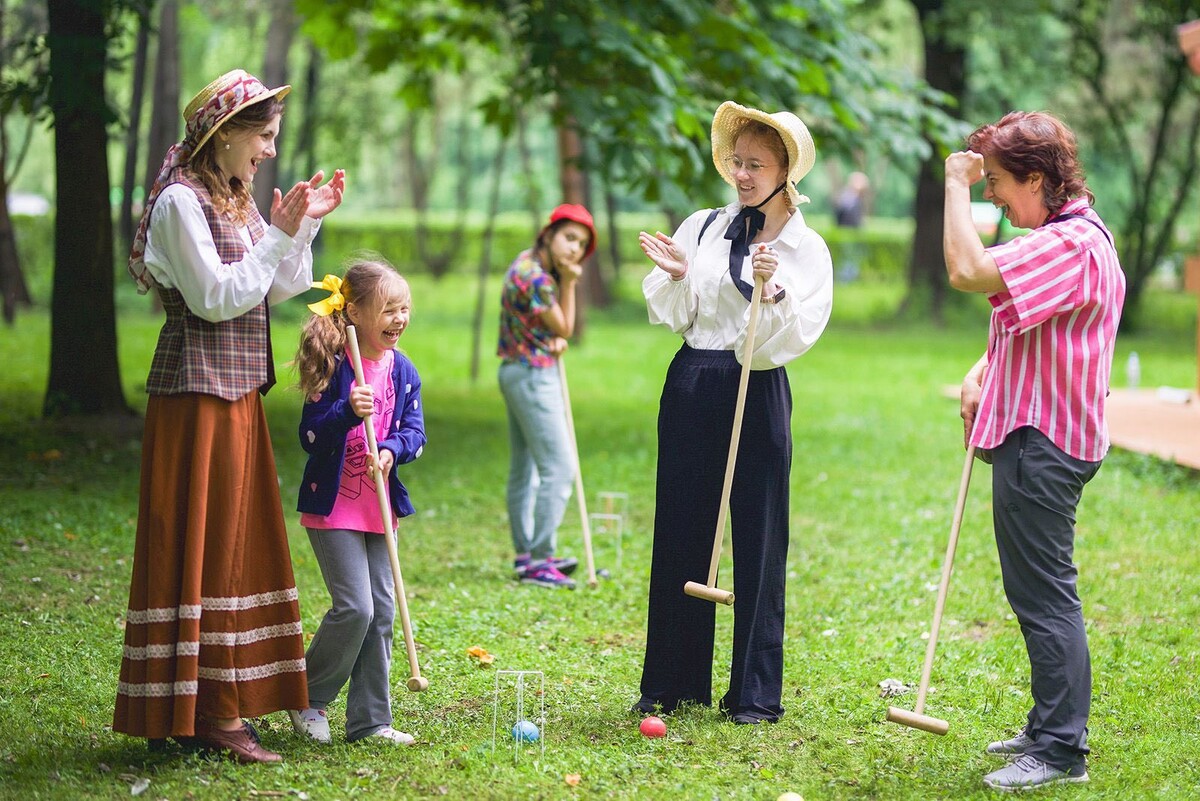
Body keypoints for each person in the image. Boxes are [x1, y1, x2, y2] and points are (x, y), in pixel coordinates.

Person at [114, 68, 345, 764]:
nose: (270, 151)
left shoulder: (233, 196)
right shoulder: (180, 203)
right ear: (224, 135)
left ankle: (213, 701)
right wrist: (277, 234)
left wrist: (303, 226)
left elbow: (272, 286)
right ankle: (202, 710)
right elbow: (217, 297)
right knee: (203, 543)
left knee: (232, 543)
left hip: (234, 394)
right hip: (194, 400)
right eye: (263, 137)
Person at [634, 101, 833, 724]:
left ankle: (752, 694)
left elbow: (787, 338)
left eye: (758, 165)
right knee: (680, 530)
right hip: (695, 378)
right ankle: (672, 680)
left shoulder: (806, 247)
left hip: (759, 383)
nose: (743, 175)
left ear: (785, 172)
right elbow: (683, 315)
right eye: (737, 162)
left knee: (760, 534)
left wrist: (771, 292)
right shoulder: (703, 226)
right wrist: (675, 278)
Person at [943, 111, 1125, 791]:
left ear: (1037, 177)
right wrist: (981, 370)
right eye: (983, 181)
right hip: (1038, 432)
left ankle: (1059, 747)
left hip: (1045, 443)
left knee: (1046, 595)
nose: (991, 193)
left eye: (996, 181)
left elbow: (966, 269)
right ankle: (1049, 722)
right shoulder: (1065, 236)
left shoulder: (1070, 244)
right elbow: (1034, 326)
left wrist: (954, 187)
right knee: (1034, 592)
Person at [291, 259, 426, 746]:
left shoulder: (403, 369)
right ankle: (308, 697)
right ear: (355, 313)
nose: (399, 318)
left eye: (405, 309)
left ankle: (370, 722)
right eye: (389, 309)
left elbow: (415, 432)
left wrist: (391, 449)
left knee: (383, 611)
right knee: (355, 608)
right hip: (333, 510)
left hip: (378, 508)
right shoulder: (336, 364)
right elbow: (310, 435)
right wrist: (347, 412)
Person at [496, 204, 597, 590]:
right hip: (534, 377)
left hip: (516, 370)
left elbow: (544, 327)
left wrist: (548, 337)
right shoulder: (537, 278)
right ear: (549, 234)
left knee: (526, 468)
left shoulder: (524, 263)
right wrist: (570, 282)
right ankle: (540, 560)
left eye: (582, 245)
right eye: (569, 238)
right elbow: (566, 327)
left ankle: (527, 555)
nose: (574, 249)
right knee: (559, 467)